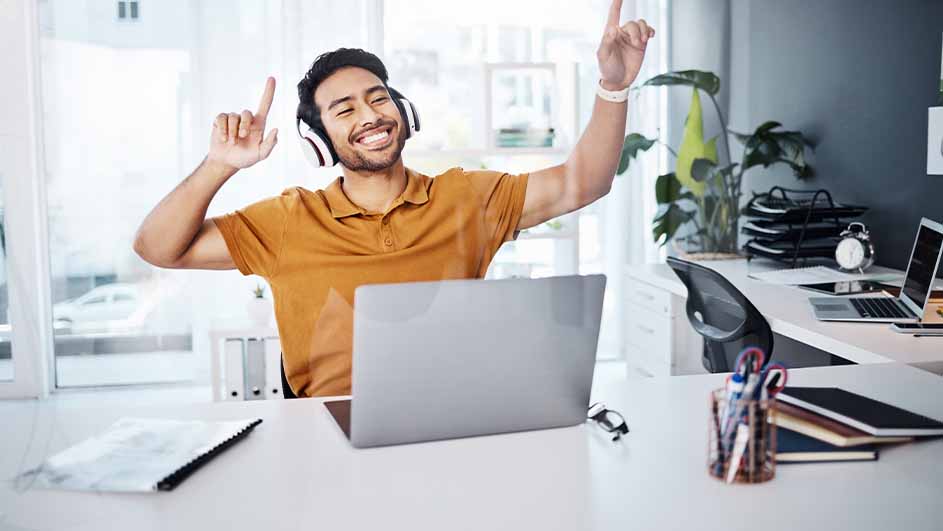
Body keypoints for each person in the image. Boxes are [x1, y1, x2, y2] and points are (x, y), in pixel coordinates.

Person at [133, 0, 655, 397]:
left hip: (450, 419)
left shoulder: (467, 196)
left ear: (400, 109)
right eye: (344, 110)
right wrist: (218, 165)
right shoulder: (288, 220)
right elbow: (159, 248)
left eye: (378, 97)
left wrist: (613, 85)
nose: (370, 116)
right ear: (319, 141)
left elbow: (582, 182)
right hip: (326, 434)